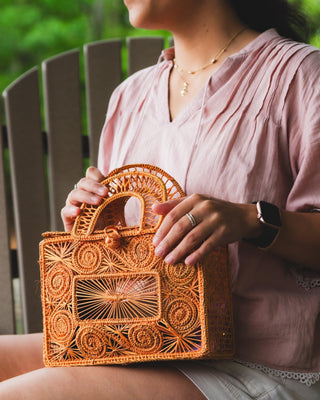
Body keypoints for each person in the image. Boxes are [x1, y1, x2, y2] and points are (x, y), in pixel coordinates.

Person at [0, 0, 320, 398]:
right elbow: (123, 266)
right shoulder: (129, 97)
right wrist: (93, 231)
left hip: (249, 366)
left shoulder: (300, 75)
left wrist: (251, 219)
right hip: (137, 342)